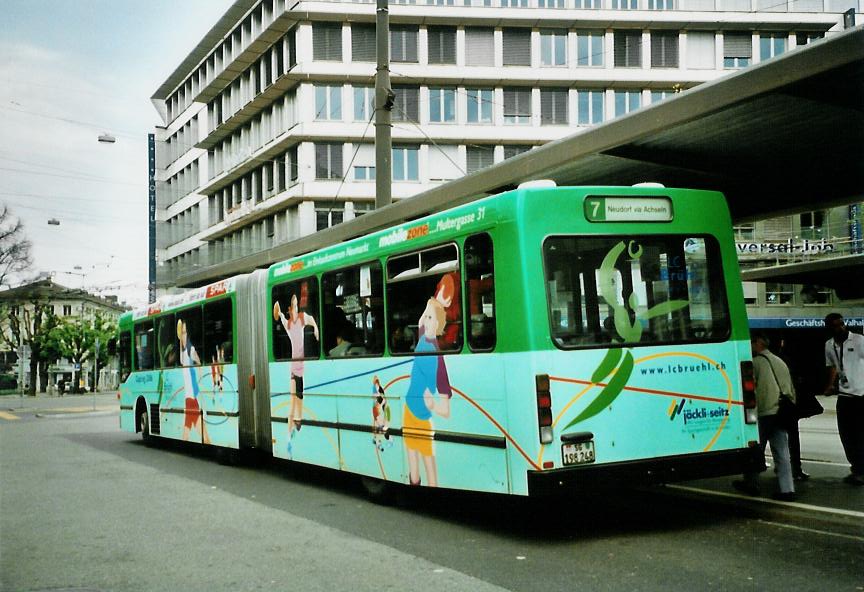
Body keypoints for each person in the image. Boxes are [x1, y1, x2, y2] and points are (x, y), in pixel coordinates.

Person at [733, 333, 796, 501]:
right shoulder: (780, 361)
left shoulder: (757, 363)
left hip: (765, 412)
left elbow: (751, 389)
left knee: (754, 450)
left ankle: (752, 483)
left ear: (758, 343)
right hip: (782, 412)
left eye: (752, 343)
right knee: (782, 451)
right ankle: (787, 489)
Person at [821, 313, 864, 486]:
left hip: (861, 395)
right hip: (844, 396)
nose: (841, 328)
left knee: (860, 435)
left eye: (842, 324)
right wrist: (831, 385)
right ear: (829, 328)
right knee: (846, 435)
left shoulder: (859, 340)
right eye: (836, 326)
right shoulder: (829, 345)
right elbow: (833, 366)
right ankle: (856, 468)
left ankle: (861, 471)